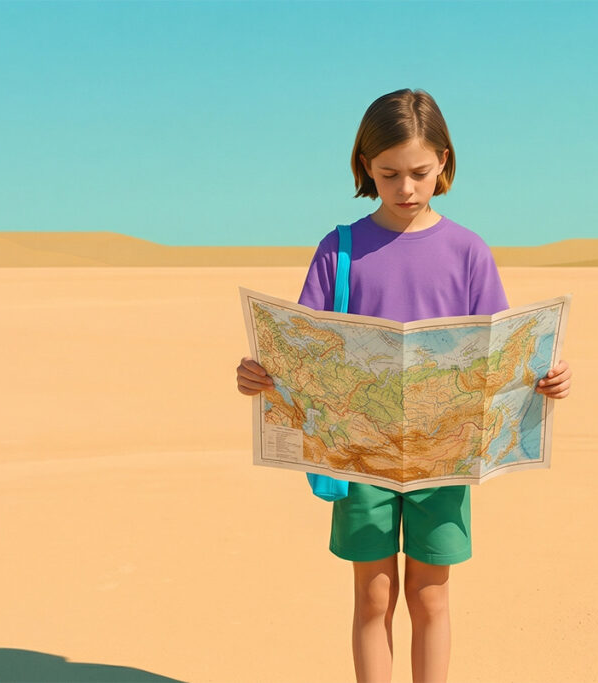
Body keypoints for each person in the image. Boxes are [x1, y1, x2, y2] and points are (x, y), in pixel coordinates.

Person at [236, 88, 571, 683]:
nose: (406, 188)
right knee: (373, 596)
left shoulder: (468, 251)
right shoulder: (338, 251)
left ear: (443, 161)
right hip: (360, 457)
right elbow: (302, 351)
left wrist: (543, 380)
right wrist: (258, 376)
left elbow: (499, 354)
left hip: (443, 458)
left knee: (431, 596)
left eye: (419, 172)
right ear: (366, 166)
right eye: (389, 173)